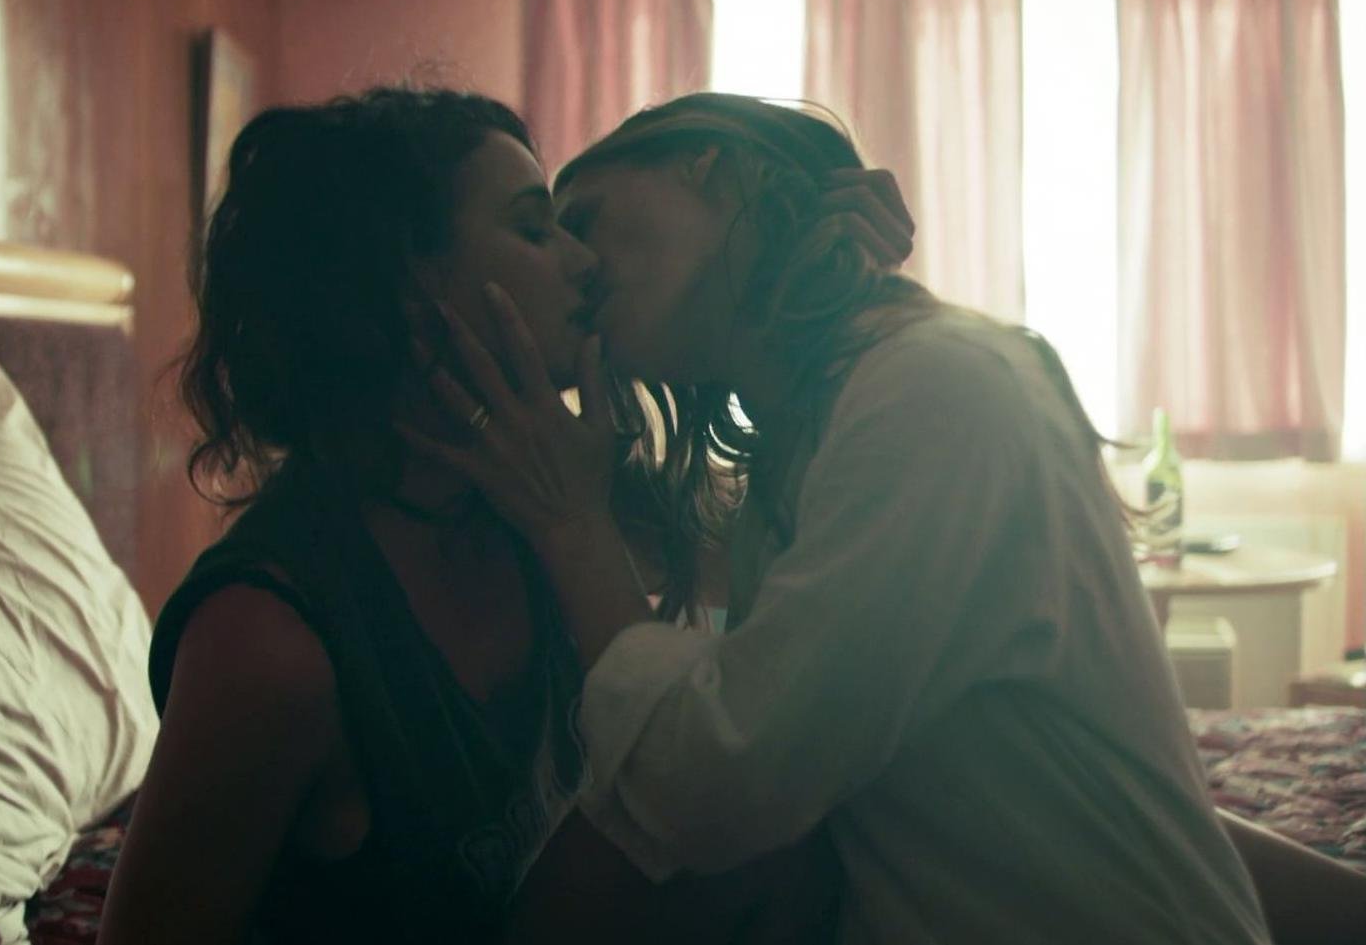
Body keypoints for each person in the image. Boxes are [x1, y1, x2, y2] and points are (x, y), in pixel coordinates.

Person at [406, 92, 1356, 943]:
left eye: (583, 221)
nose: (575, 265)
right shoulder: (808, 442)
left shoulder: (934, 386)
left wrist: (573, 528)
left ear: (713, 170)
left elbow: (720, 781)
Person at [96, 88, 852, 945]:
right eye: (534, 229)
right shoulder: (269, 641)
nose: (584, 262)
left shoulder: (530, 497)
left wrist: (828, 286)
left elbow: (809, 584)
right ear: (402, 288)